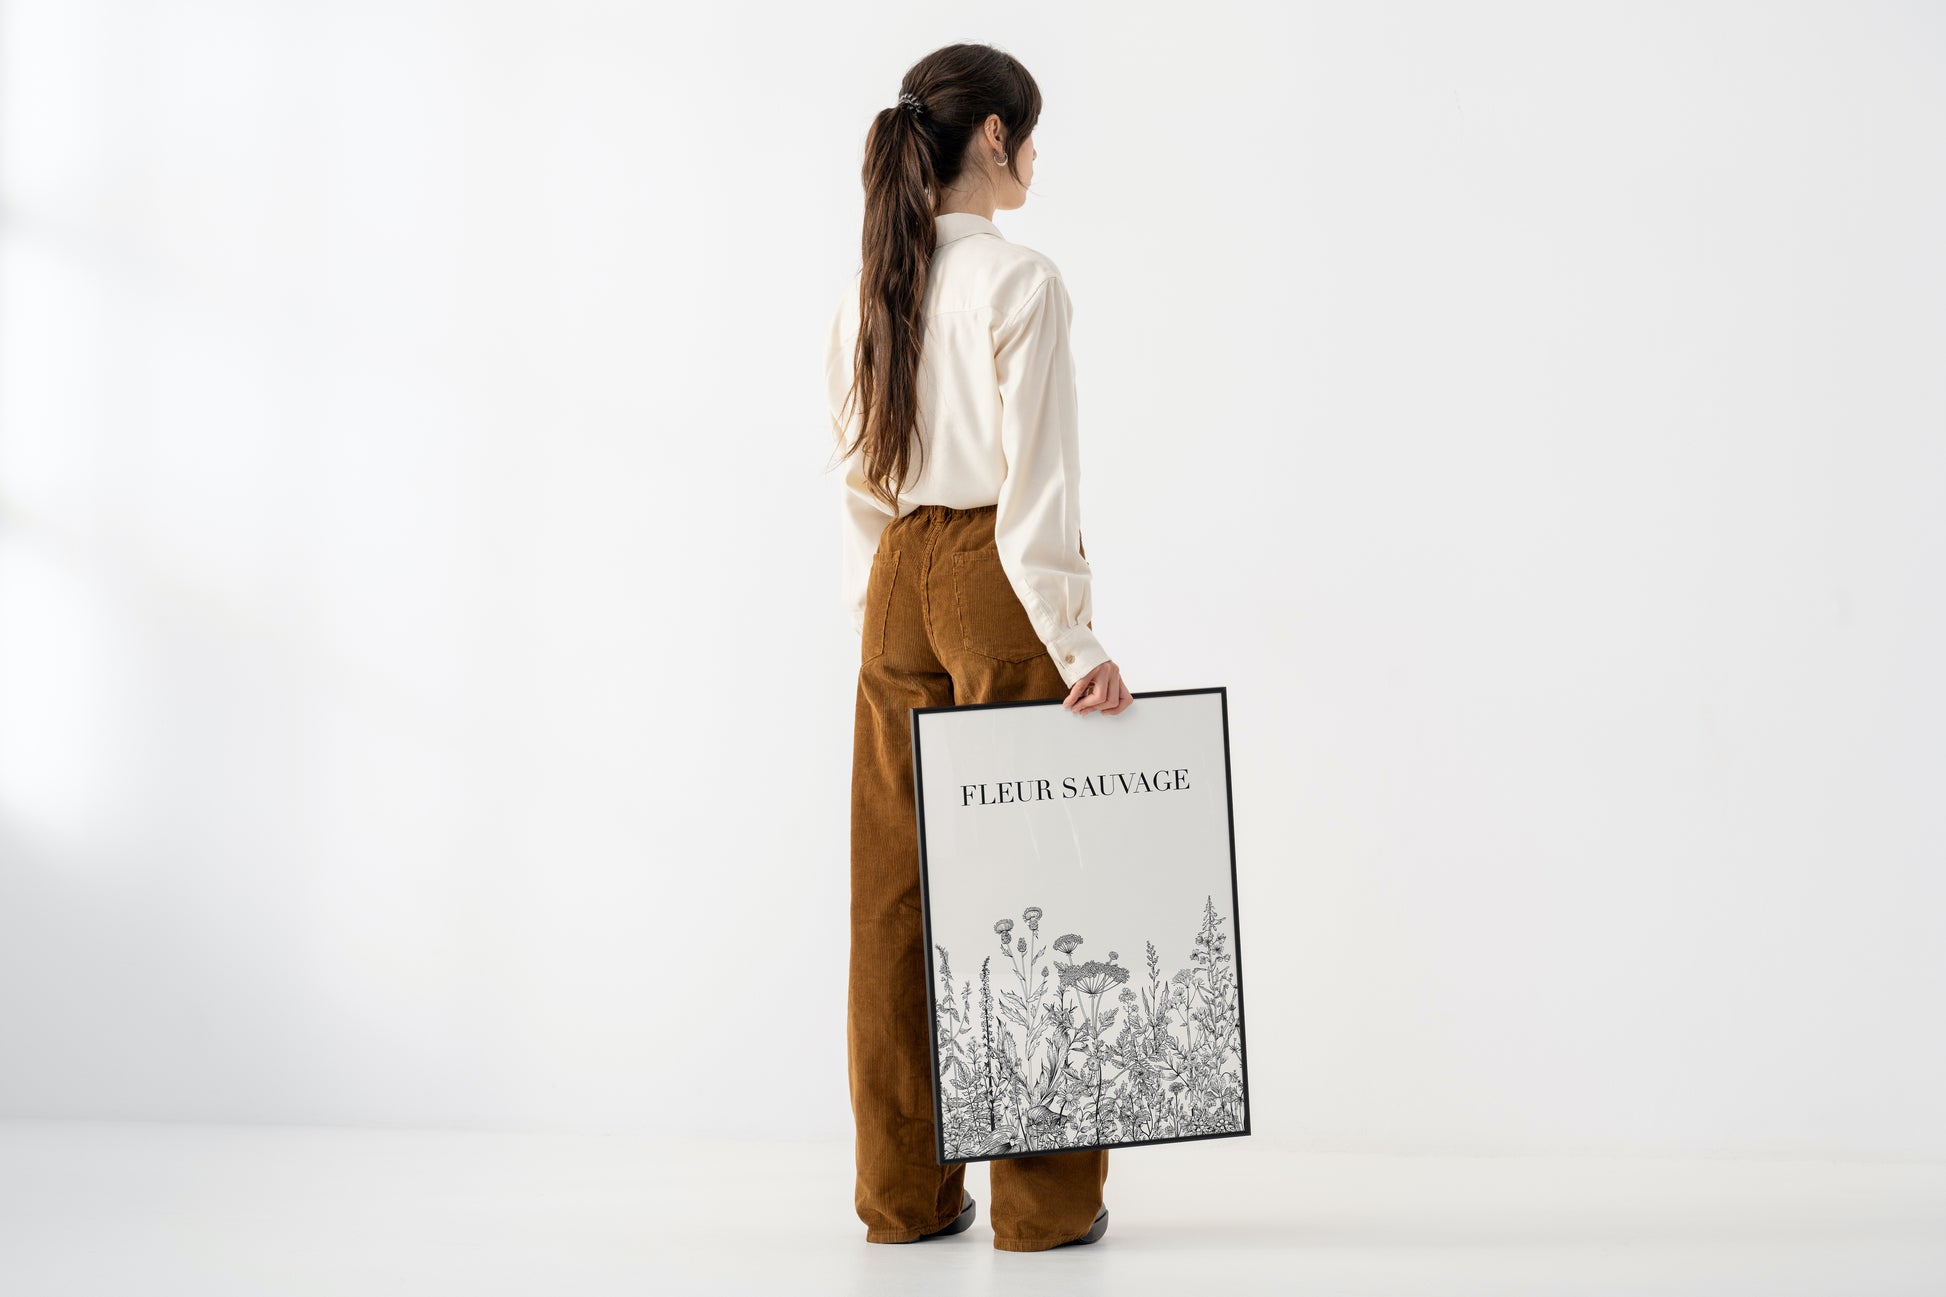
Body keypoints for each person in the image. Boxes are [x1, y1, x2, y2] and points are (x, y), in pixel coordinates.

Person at [823, 42, 1128, 1253]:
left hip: (896, 576)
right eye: (1028, 133)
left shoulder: (869, 288)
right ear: (992, 138)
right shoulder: (1021, 283)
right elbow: (1035, 494)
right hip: (995, 579)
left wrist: (885, 603)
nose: (1035, 157)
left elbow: (857, 473)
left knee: (894, 894)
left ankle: (905, 1195)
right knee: (1032, 881)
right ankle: (1043, 1207)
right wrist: (1074, 641)